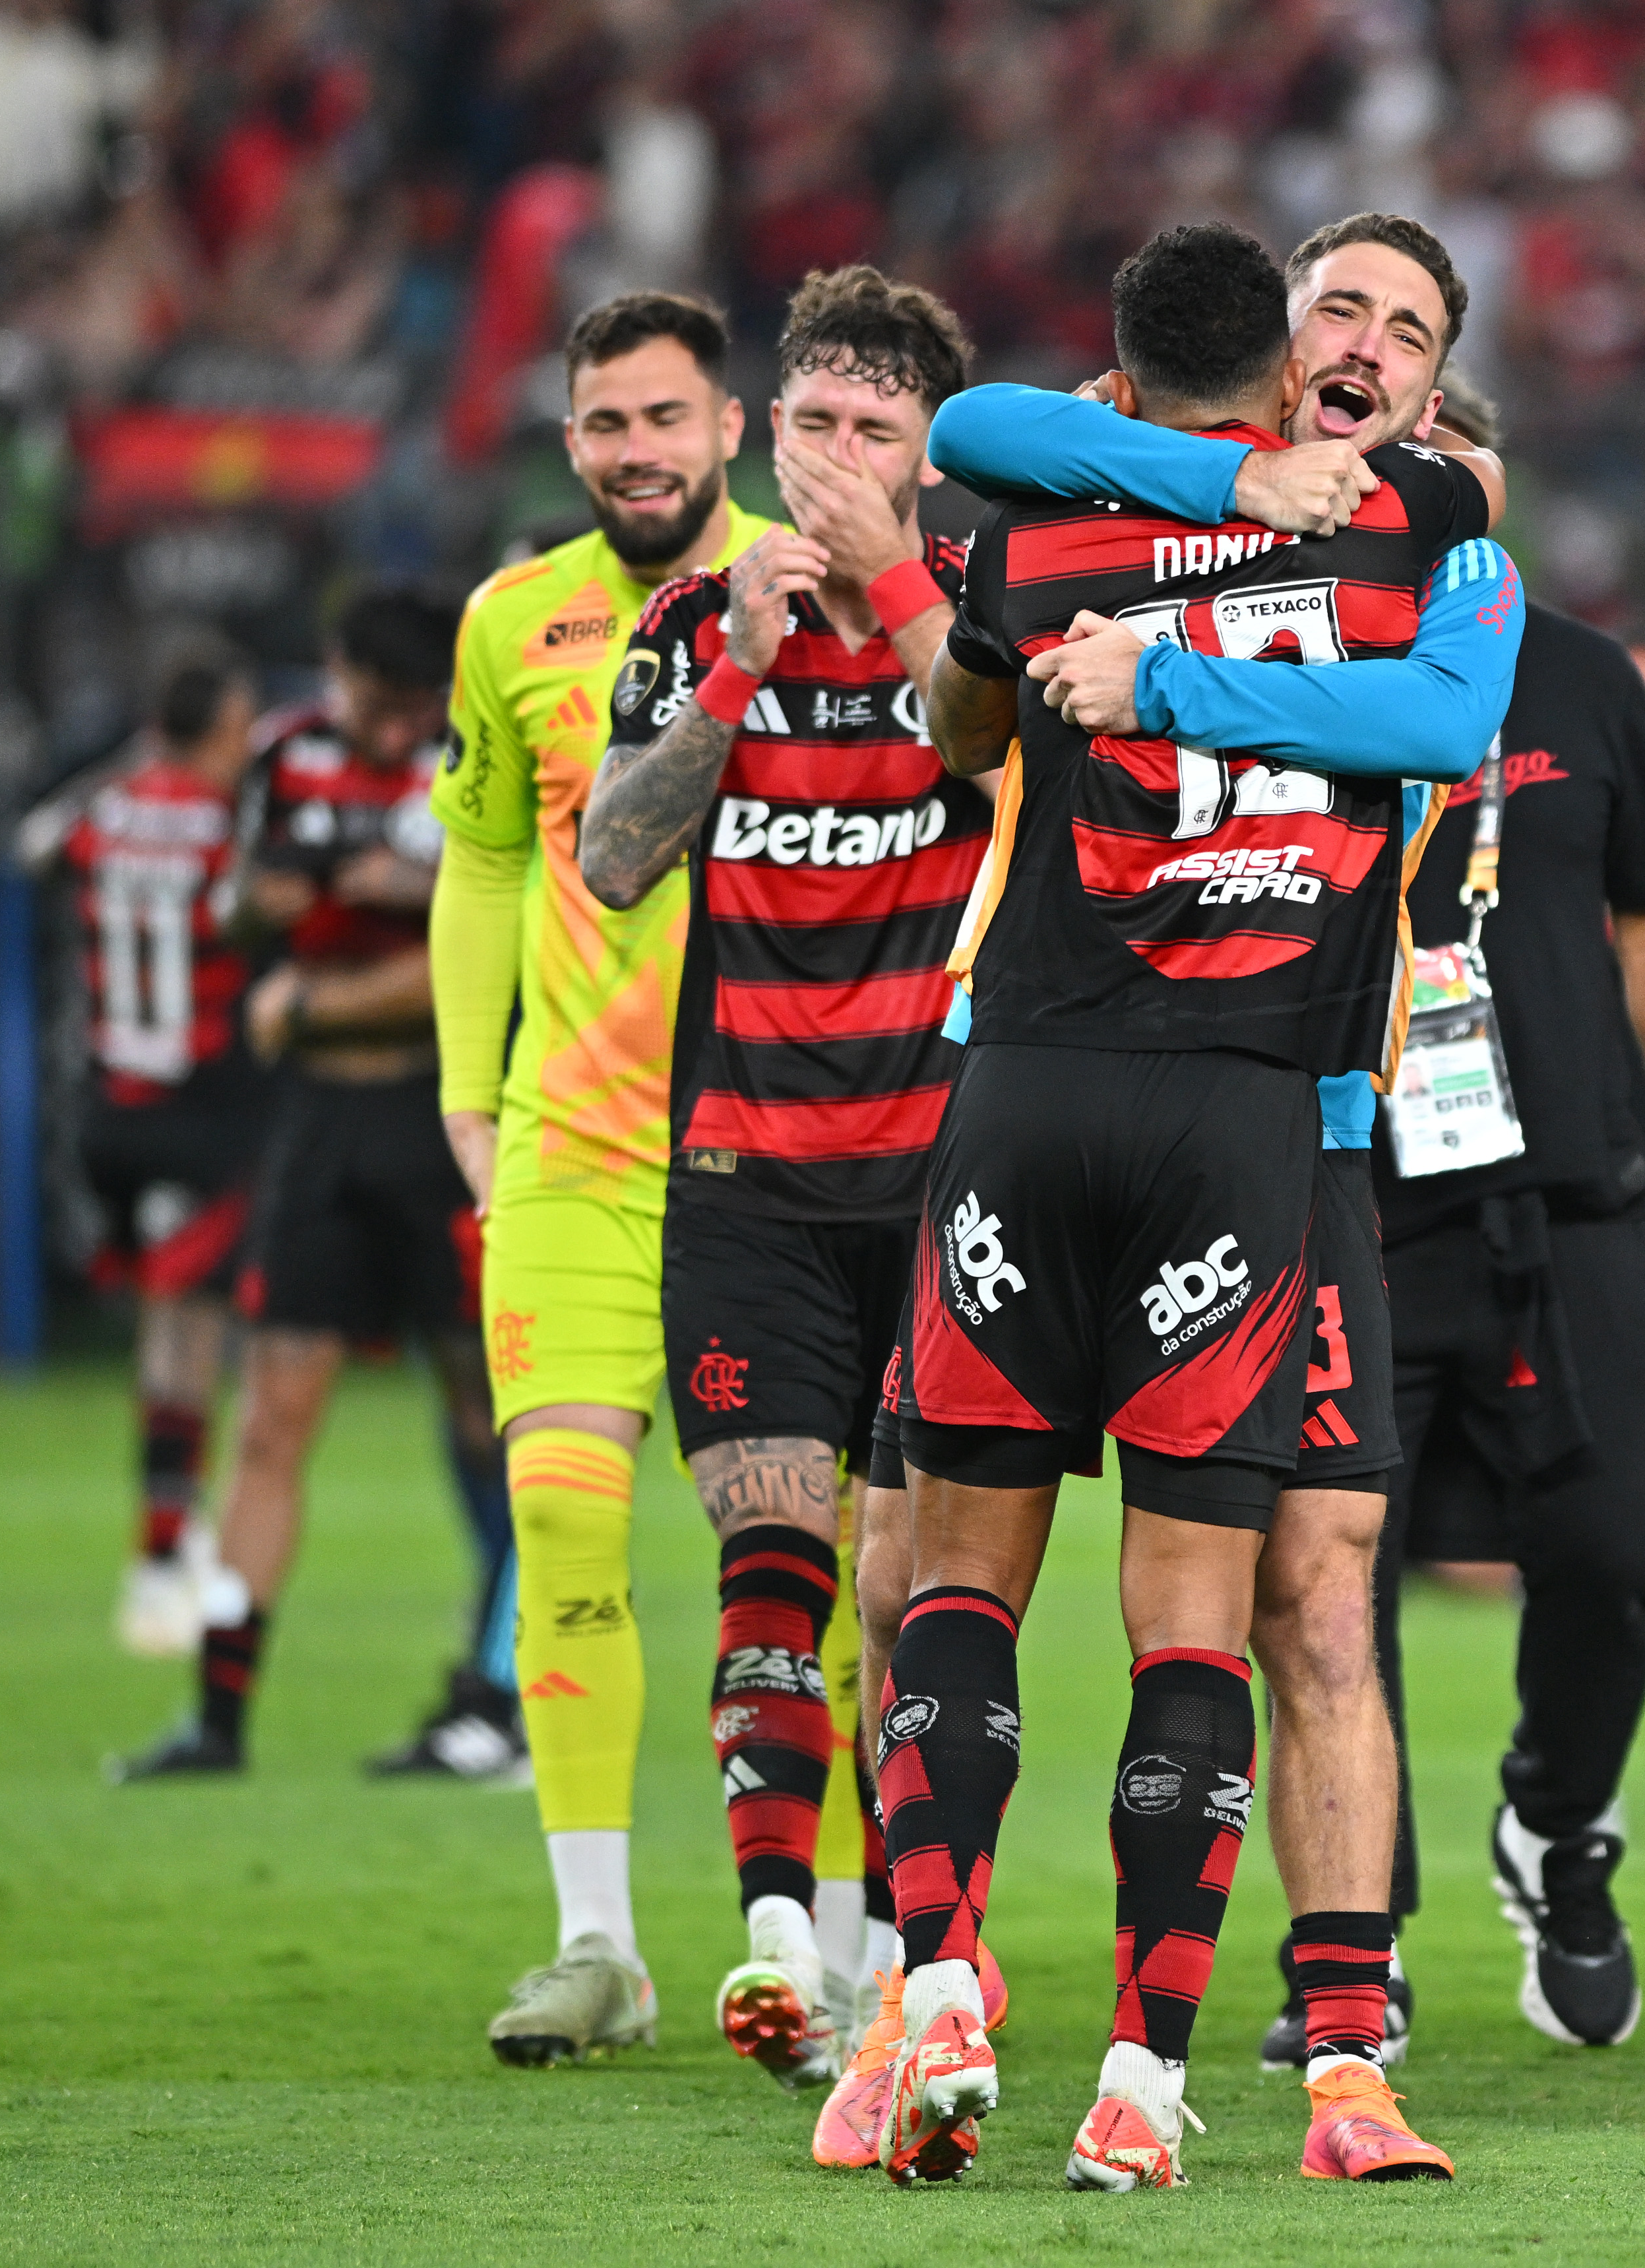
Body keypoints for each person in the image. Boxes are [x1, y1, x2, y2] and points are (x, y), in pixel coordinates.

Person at [875, 214, 1518, 2191]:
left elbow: (962, 457)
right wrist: (1232, 479)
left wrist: (1154, 674)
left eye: (1412, 331)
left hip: (1264, 1108)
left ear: (1430, 383)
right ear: (1278, 347)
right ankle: (1121, 2059)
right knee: (1190, 1596)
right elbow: (986, 420)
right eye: (1346, 306)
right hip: (1229, 1103)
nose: (1375, 348)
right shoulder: (1379, 536)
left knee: (1303, 1589)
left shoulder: (1429, 508)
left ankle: (1327, 2051)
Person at [1253, 371, 1645, 2060]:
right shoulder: (1275, 646)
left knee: (1614, 1554)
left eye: (1456, 440)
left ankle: (1555, 1825)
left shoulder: (1584, 678)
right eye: (1392, 442)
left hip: (1574, 1195)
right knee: (1322, 1577)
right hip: (1347, 1188)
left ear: (1499, 477)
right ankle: (1349, 1943)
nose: (1427, 468)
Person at [571, 265, 988, 2095]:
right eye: (810, 424)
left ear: (925, 456)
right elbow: (608, 859)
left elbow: (1024, 777)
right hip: (743, 1172)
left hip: (936, 1183)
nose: (829, 459)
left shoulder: (982, 609)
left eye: (869, 432)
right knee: (771, 1554)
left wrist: (891, 594)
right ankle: (768, 1944)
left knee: (911, 1588)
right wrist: (738, 653)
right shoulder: (687, 620)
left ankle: (905, 1954)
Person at [428, 290, 782, 2065]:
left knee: (810, 1553)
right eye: (602, 425)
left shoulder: (829, 593)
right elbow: (484, 860)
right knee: (562, 1517)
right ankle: (599, 1944)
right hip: (572, 1145)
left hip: (790, 1154)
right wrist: (463, 1087)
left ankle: (842, 1951)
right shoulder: (514, 617)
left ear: (730, 423)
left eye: (663, 417)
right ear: (571, 443)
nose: (634, 450)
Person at [106, 588, 522, 1786]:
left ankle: (501, 1698)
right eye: (372, 706)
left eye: (411, 710)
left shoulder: (476, 744)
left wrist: (319, 980)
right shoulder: (286, 757)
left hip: (444, 1110)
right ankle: (218, 1717)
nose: (393, 734)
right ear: (332, 676)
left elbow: (475, 937)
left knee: (489, 1419)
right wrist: (274, 909)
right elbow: (242, 910)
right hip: (319, 1126)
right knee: (274, 1417)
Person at [27, 642, 264, 1667]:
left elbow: (28, 845)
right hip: (197, 1104)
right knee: (191, 1341)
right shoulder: (223, 823)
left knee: (163, 1331)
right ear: (215, 726)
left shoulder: (101, 810)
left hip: (106, 1110)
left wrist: (127, 768)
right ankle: (164, 1553)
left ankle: (168, 1529)